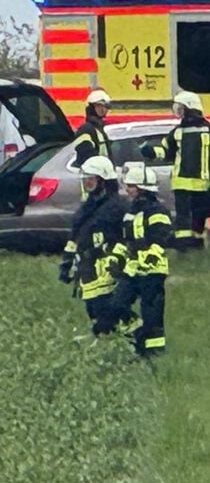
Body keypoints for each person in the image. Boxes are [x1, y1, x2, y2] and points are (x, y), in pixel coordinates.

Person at [140, 91, 210, 249]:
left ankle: (196, 243)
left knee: (198, 216)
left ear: (190, 108)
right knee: (183, 218)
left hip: (201, 184)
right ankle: (184, 245)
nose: (179, 113)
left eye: (181, 109)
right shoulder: (178, 132)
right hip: (183, 184)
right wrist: (151, 152)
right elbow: (166, 152)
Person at [102, 163, 172, 356]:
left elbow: (161, 238)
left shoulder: (158, 211)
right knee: (117, 304)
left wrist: (150, 257)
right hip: (132, 269)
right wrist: (115, 258)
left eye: (131, 186)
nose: (127, 190)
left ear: (142, 188)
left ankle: (154, 352)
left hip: (152, 271)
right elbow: (125, 241)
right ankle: (136, 336)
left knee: (152, 312)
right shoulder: (130, 212)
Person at [58, 155, 129, 335]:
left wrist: (117, 260)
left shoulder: (118, 207)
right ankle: (106, 337)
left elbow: (127, 238)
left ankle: (133, 338)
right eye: (85, 179)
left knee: (109, 308)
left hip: (107, 268)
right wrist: (67, 262)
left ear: (103, 181)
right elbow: (76, 237)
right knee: (93, 308)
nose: (86, 184)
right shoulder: (87, 207)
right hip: (87, 269)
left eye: (90, 179)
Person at [73, 88, 112, 167]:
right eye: (99, 106)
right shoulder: (86, 130)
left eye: (105, 106)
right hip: (95, 175)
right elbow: (86, 156)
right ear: (91, 107)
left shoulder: (100, 129)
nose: (103, 109)